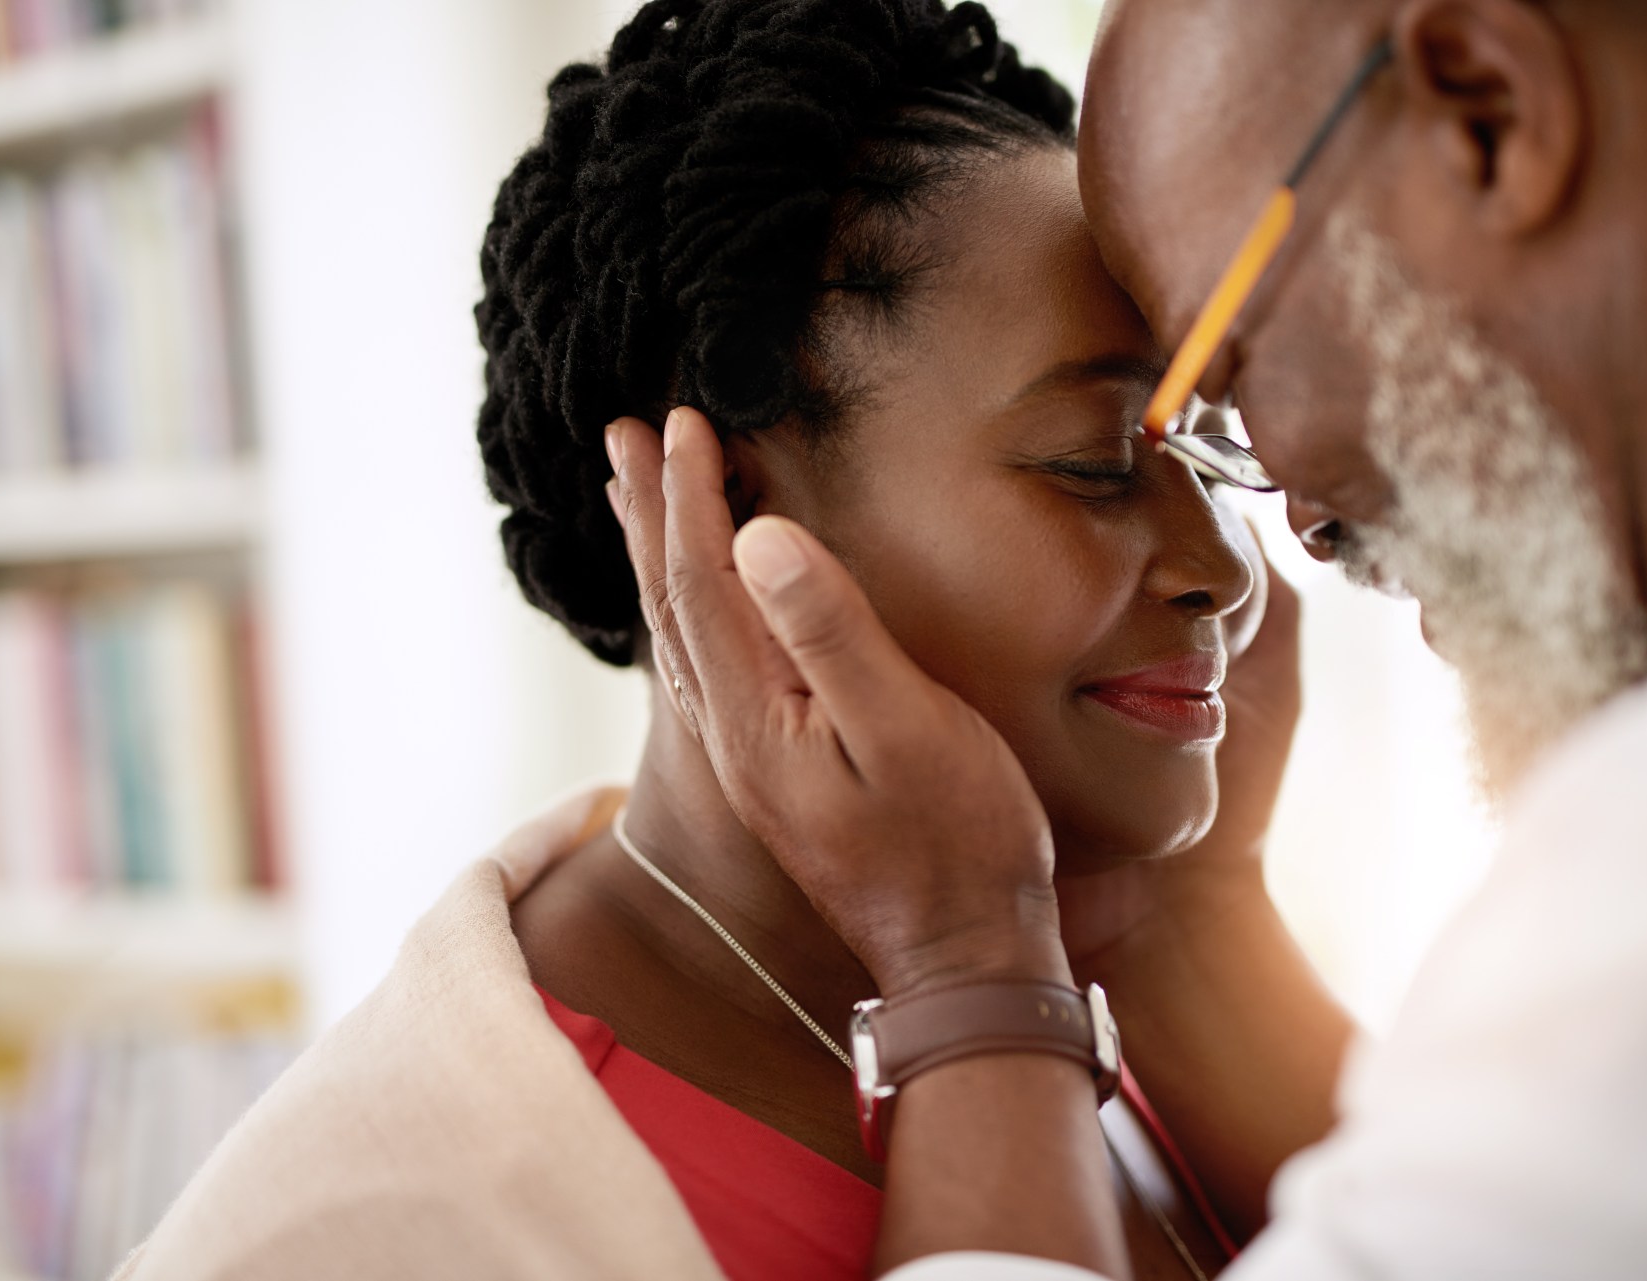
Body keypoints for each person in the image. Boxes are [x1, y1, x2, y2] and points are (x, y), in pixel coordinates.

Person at [605, 0, 1647, 1277]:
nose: (1279, 540)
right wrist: (1176, 919)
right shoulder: (482, 1197)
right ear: (741, 527)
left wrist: (969, 964)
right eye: (1105, 461)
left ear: (1487, 111)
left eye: (1235, 363)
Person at [111, 2, 1315, 1278]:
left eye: (1206, 454)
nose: (1227, 571)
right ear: (727, 521)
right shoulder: (387, 1234)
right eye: (1093, 463)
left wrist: (1184, 918)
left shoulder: (1081, 959)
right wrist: (975, 966)